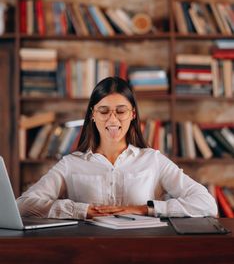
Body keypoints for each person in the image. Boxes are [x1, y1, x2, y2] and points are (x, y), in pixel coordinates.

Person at [17, 76, 217, 219]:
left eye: (121, 111)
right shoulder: (71, 164)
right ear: (92, 115)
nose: (112, 119)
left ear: (133, 114)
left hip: (143, 251)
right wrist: (81, 210)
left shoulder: (153, 160)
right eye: (103, 111)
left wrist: (144, 209)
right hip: (87, 252)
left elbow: (206, 204)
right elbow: (23, 204)